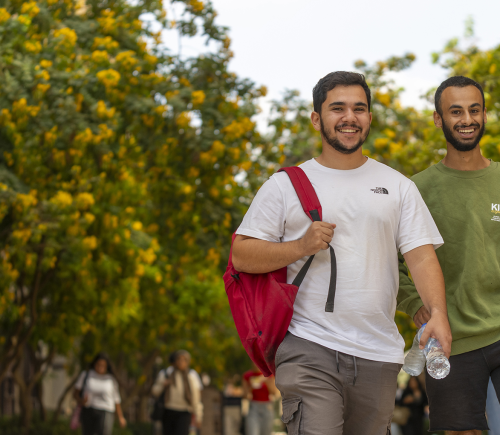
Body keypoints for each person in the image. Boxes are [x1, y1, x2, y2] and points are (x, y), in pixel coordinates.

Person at [232, 71, 452, 435]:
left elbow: (422, 256)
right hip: (309, 346)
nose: (349, 117)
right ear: (317, 118)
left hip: (379, 354)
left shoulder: (399, 186)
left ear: (369, 118)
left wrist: (439, 313)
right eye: (338, 108)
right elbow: (242, 255)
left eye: (359, 109)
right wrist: (300, 247)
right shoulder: (284, 186)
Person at [397, 76, 500, 435]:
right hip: (449, 340)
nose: (466, 119)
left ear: (485, 114)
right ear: (438, 120)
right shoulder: (415, 190)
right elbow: (392, 264)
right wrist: (414, 303)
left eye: (474, 110)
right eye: (455, 111)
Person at [152, 350, 203, 435]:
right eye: (179, 359)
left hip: (185, 411)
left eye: (184, 360)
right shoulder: (167, 373)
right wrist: (163, 384)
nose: (181, 362)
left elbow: (196, 398)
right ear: (175, 361)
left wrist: (199, 415)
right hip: (168, 410)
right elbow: (155, 391)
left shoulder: (192, 375)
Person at [74, 352, 126, 435]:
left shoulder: (111, 379)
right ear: (94, 364)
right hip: (88, 409)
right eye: (98, 364)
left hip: (106, 410)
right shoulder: (86, 375)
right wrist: (81, 400)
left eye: (103, 365)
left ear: (106, 366)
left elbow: (116, 399)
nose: (100, 367)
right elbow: (76, 393)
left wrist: (120, 417)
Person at [242, 363, 278, 435]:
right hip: (253, 407)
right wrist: (251, 386)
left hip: (267, 407)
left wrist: (267, 382)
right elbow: (245, 396)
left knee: (266, 432)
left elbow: (274, 393)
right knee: (252, 432)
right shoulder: (247, 375)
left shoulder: (269, 375)